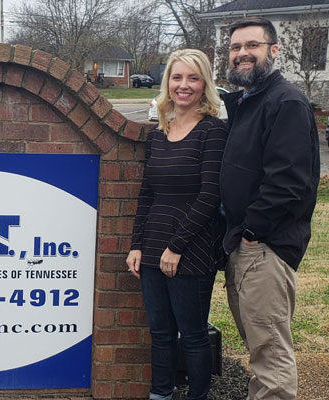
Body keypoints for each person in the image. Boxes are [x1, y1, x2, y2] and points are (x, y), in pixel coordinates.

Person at [220, 17, 320, 400]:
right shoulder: (248, 103)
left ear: (273, 50)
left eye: (252, 45)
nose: (242, 53)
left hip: (265, 247)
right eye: (235, 47)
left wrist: (251, 233)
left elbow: (289, 181)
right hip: (246, 245)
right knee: (259, 346)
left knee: (270, 354)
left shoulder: (286, 102)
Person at [126, 49, 227, 400]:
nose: (184, 85)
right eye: (177, 77)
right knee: (160, 332)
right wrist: (137, 245)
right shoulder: (158, 133)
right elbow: (147, 195)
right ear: (167, 82)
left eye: (193, 78)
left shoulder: (213, 131)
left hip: (193, 250)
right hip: (153, 247)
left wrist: (176, 247)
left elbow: (210, 196)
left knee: (194, 334)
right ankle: (160, 394)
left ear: (204, 85)